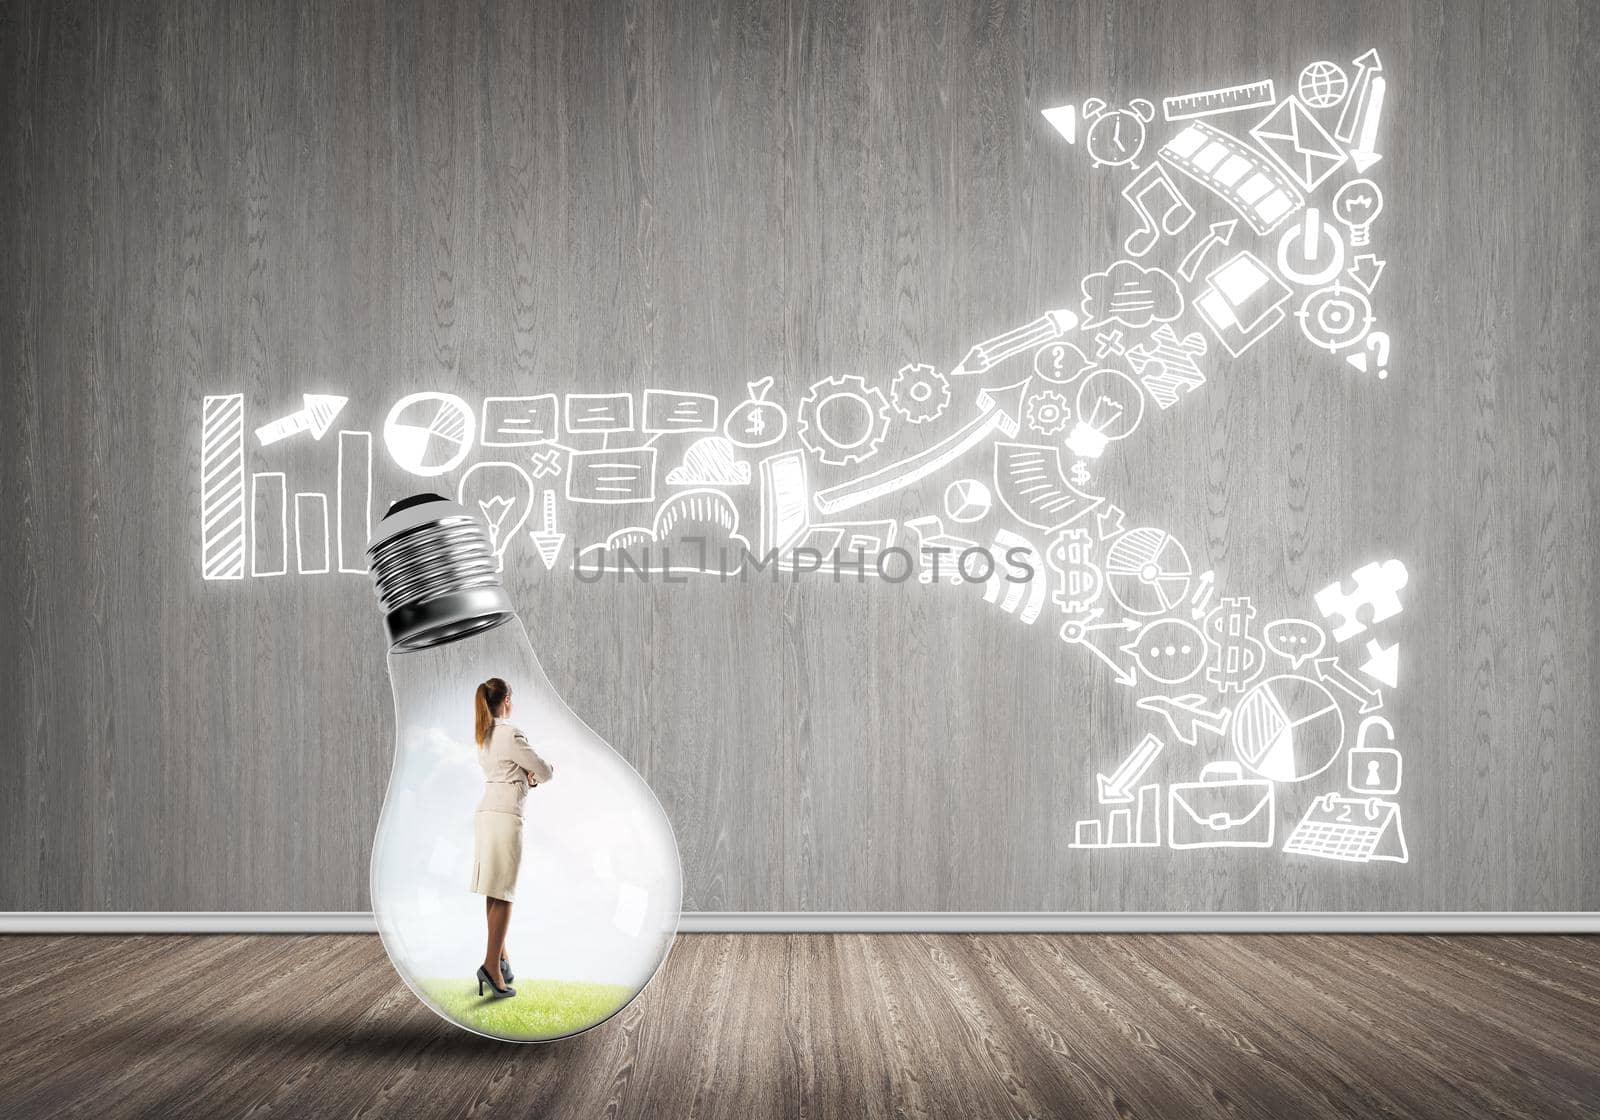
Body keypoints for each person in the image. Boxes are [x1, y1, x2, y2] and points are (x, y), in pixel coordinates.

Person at [469, 677, 554, 998]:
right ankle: (491, 966)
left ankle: (501, 959)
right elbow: (544, 770)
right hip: (506, 816)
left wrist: (523, 776)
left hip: (486, 814)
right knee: (504, 893)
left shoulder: (483, 734)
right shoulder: (509, 733)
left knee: (492, 890)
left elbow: (506, 771)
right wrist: (534, 776)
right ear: (506, 700)